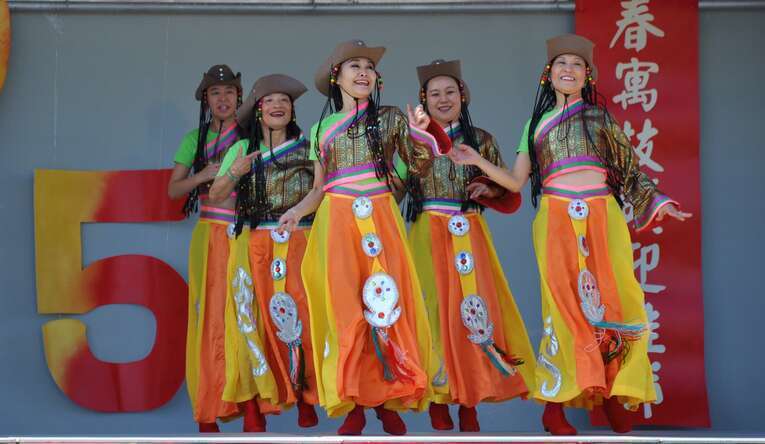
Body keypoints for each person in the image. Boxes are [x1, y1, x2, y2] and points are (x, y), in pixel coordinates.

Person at [449, 34, 691, 435]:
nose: (568, 70)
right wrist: (476, 160)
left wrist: (660, 202)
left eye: (577, 65)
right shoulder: (535, 124)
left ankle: (614, 394)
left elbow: (629, 170)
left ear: (587, 76)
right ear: (549, 74)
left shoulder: (599, 119)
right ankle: (554, 404)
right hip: (556, 216)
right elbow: (514, 181)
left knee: (614, 301)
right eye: (561, 63)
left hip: (601, 214)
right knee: (563, 309)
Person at [276, 39, 451, 436]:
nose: (363, 73)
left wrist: (424, 133)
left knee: (387, 304)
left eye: (369, 68)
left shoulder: (390, 118)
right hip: (336, 221)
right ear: (337, 76)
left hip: (380, 215)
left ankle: (389, 398)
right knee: (346, 310)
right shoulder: (321, 128)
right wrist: (296, 211)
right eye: (354, 66)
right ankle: (353, 398)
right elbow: (321, 188)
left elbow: (422, 163)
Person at [404, 59, 537, 432]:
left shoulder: (481, 140)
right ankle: (437, 395)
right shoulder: (413, 139)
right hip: (425, 229)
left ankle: (471, 397)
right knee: (430, 311)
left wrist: (487, 188)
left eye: (450, 92)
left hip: (468, 229)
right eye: (435, 94)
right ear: (423, 101)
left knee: (473, 310)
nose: (443, 99)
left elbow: (508, 192)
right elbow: (397, 183)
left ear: (462, 96)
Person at [168, 65, 275, 432]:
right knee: (211, 317)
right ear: (205, 99)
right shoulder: (193, 140)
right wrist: (204, 175)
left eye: (230, 92)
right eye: (216, 93)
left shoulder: (252, 135)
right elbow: (174, 190)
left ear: (239, 97)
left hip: (247, 231)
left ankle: (252, 405)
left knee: (249, 312)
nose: (224, 99)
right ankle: (209, 407)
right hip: (210, 232)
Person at [209, 73, 319, 428]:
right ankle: (254, 405)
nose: (277, 106)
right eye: (270, 101)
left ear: (292, 111)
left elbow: (325, 190)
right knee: (249, 320)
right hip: (253, 242)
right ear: (258, 111)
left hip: (299, 239)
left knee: (302, 318)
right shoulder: (241, 150)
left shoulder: (308, 146)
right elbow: (215, 194)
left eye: (284, 102)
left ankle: (305, 394)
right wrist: (234, 173)